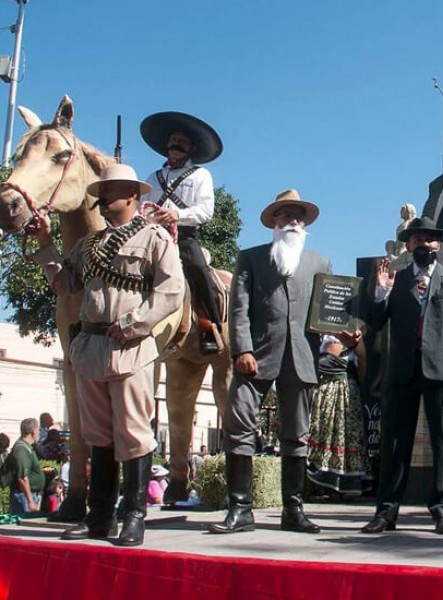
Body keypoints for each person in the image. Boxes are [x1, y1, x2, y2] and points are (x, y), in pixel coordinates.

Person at [32, 163, 184, 545]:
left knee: (133, 433)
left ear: (132, 195)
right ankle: (99, 516)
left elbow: (170, 291)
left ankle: (133, 514)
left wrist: (136, 323)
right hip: (91, 347)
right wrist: (46, 244)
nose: (103, 198)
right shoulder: (89, 245)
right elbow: (65, 284)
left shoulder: (154, 238)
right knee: (99, 435)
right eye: (102, 191)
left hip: (129, 346)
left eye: (112, 190)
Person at [210, 189, 331, 535]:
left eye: (298, 215)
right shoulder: (251, 258)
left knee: (298, 434)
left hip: (302, 356)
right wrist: (241, 350)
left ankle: (293, 510)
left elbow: (329, 314)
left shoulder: (320, 264)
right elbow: (238, 309)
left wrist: (345, 332)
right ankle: (240, 508)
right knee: (239, 426)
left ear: (305, 223)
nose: (292, 220)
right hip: (257, 354)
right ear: (273, 222)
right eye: (285, 215)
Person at [361, 216, 443, 535]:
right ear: (408, 244)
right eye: (417, 239)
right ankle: (386, 511)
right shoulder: (395, 281)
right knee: (395, 443)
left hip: (441, 371)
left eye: (429, 239)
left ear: (438, 244)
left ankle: (442, 509)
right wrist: (381, 292)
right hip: (401, 371)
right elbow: (375, 321)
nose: (424, 244)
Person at [140, 111, 223, 354]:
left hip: (183, 237)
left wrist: (177, 215)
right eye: (173, 140)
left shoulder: (201, 175)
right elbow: (138, 209)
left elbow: (206, 210)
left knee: (198, 269)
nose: (176, 144)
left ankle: (210, 325)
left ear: (192, 147)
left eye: (182, 141)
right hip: (152, 237)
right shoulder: (152, 178)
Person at [306, 332, 371, 495]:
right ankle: (312, 485)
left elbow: (364, 363)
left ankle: (341, 487)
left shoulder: (359, 324)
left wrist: (355, 343)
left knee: (342, 434)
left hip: (344, 384)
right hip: (321, 382)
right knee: (317, 432)